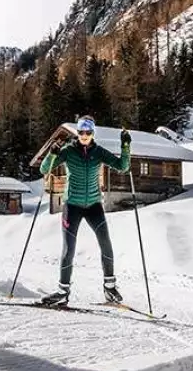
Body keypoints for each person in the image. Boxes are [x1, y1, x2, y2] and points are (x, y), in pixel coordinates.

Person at [38, 116, 131, 307]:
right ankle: (63, 292)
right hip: (72, 205)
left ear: (93, 133)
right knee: (68, 249)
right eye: (81, 132)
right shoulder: (68, 151)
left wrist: (125, 146)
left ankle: (110, 288)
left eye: (88, 132)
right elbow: (44, 168)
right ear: (77, 133)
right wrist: (52, 153)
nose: (85, 135)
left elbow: (123, 167)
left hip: (94, 206)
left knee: (106, 244)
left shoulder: (99, 152)